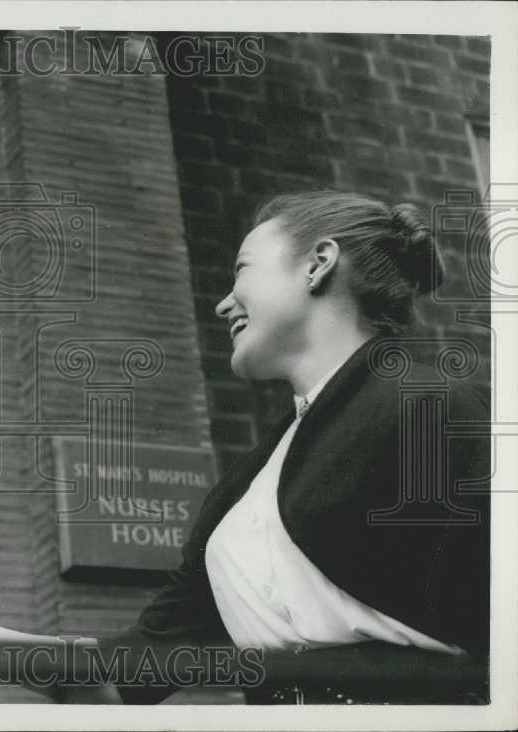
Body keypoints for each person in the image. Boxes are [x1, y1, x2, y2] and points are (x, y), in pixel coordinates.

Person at [78, 190, 490, 704]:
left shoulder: (437, 407)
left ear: (318, 264)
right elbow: (128, 673)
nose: (223, 302)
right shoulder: (247, 483)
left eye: (242, 269)